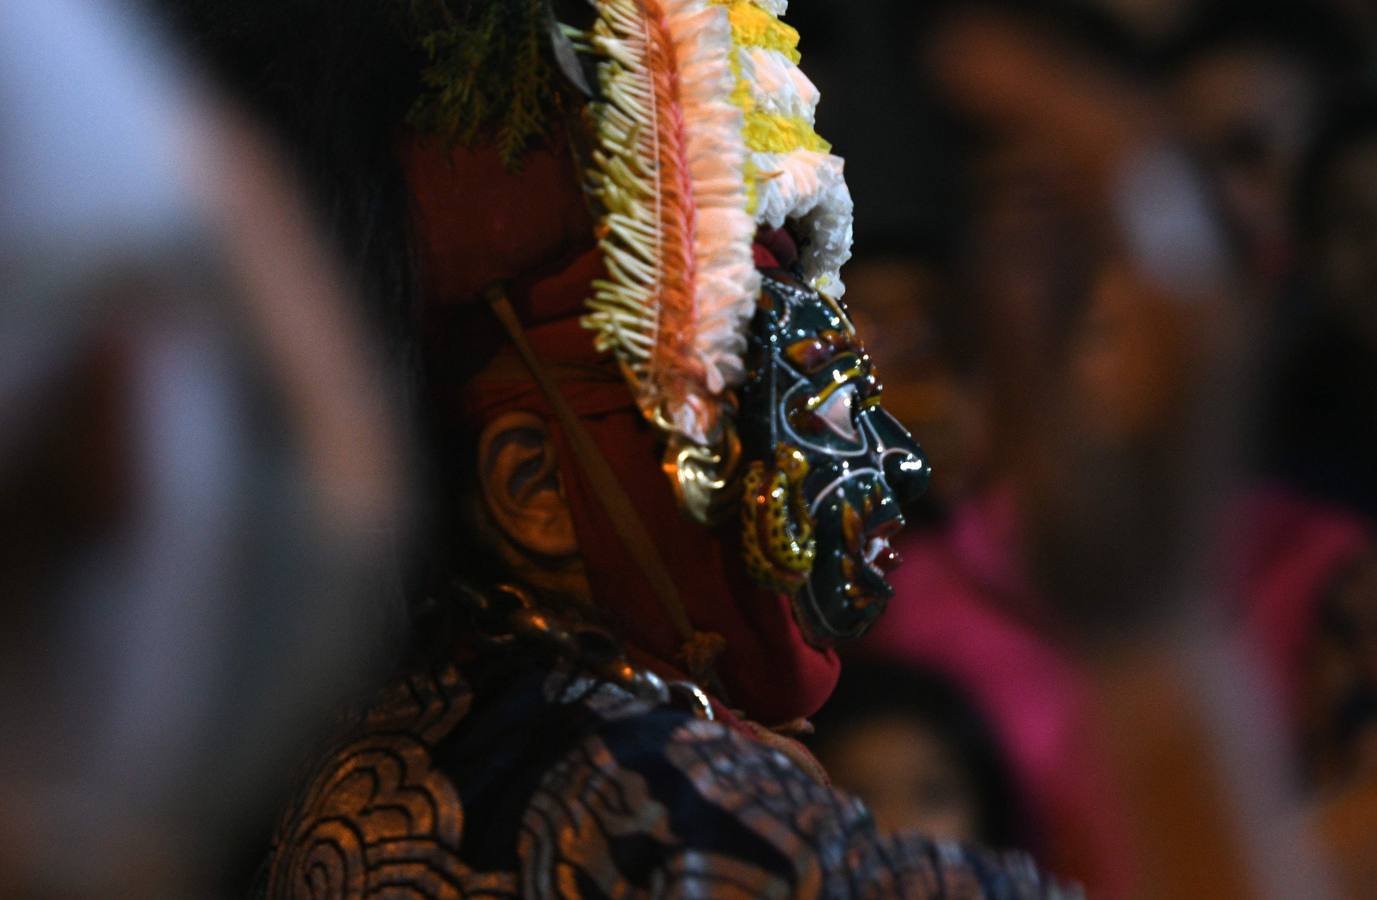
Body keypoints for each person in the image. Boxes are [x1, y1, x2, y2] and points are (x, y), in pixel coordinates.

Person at [152, 1, 1072, 896]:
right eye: (783, 404)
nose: (891, 461)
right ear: (537, 490)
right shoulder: (612, 800)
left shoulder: (424, 749)